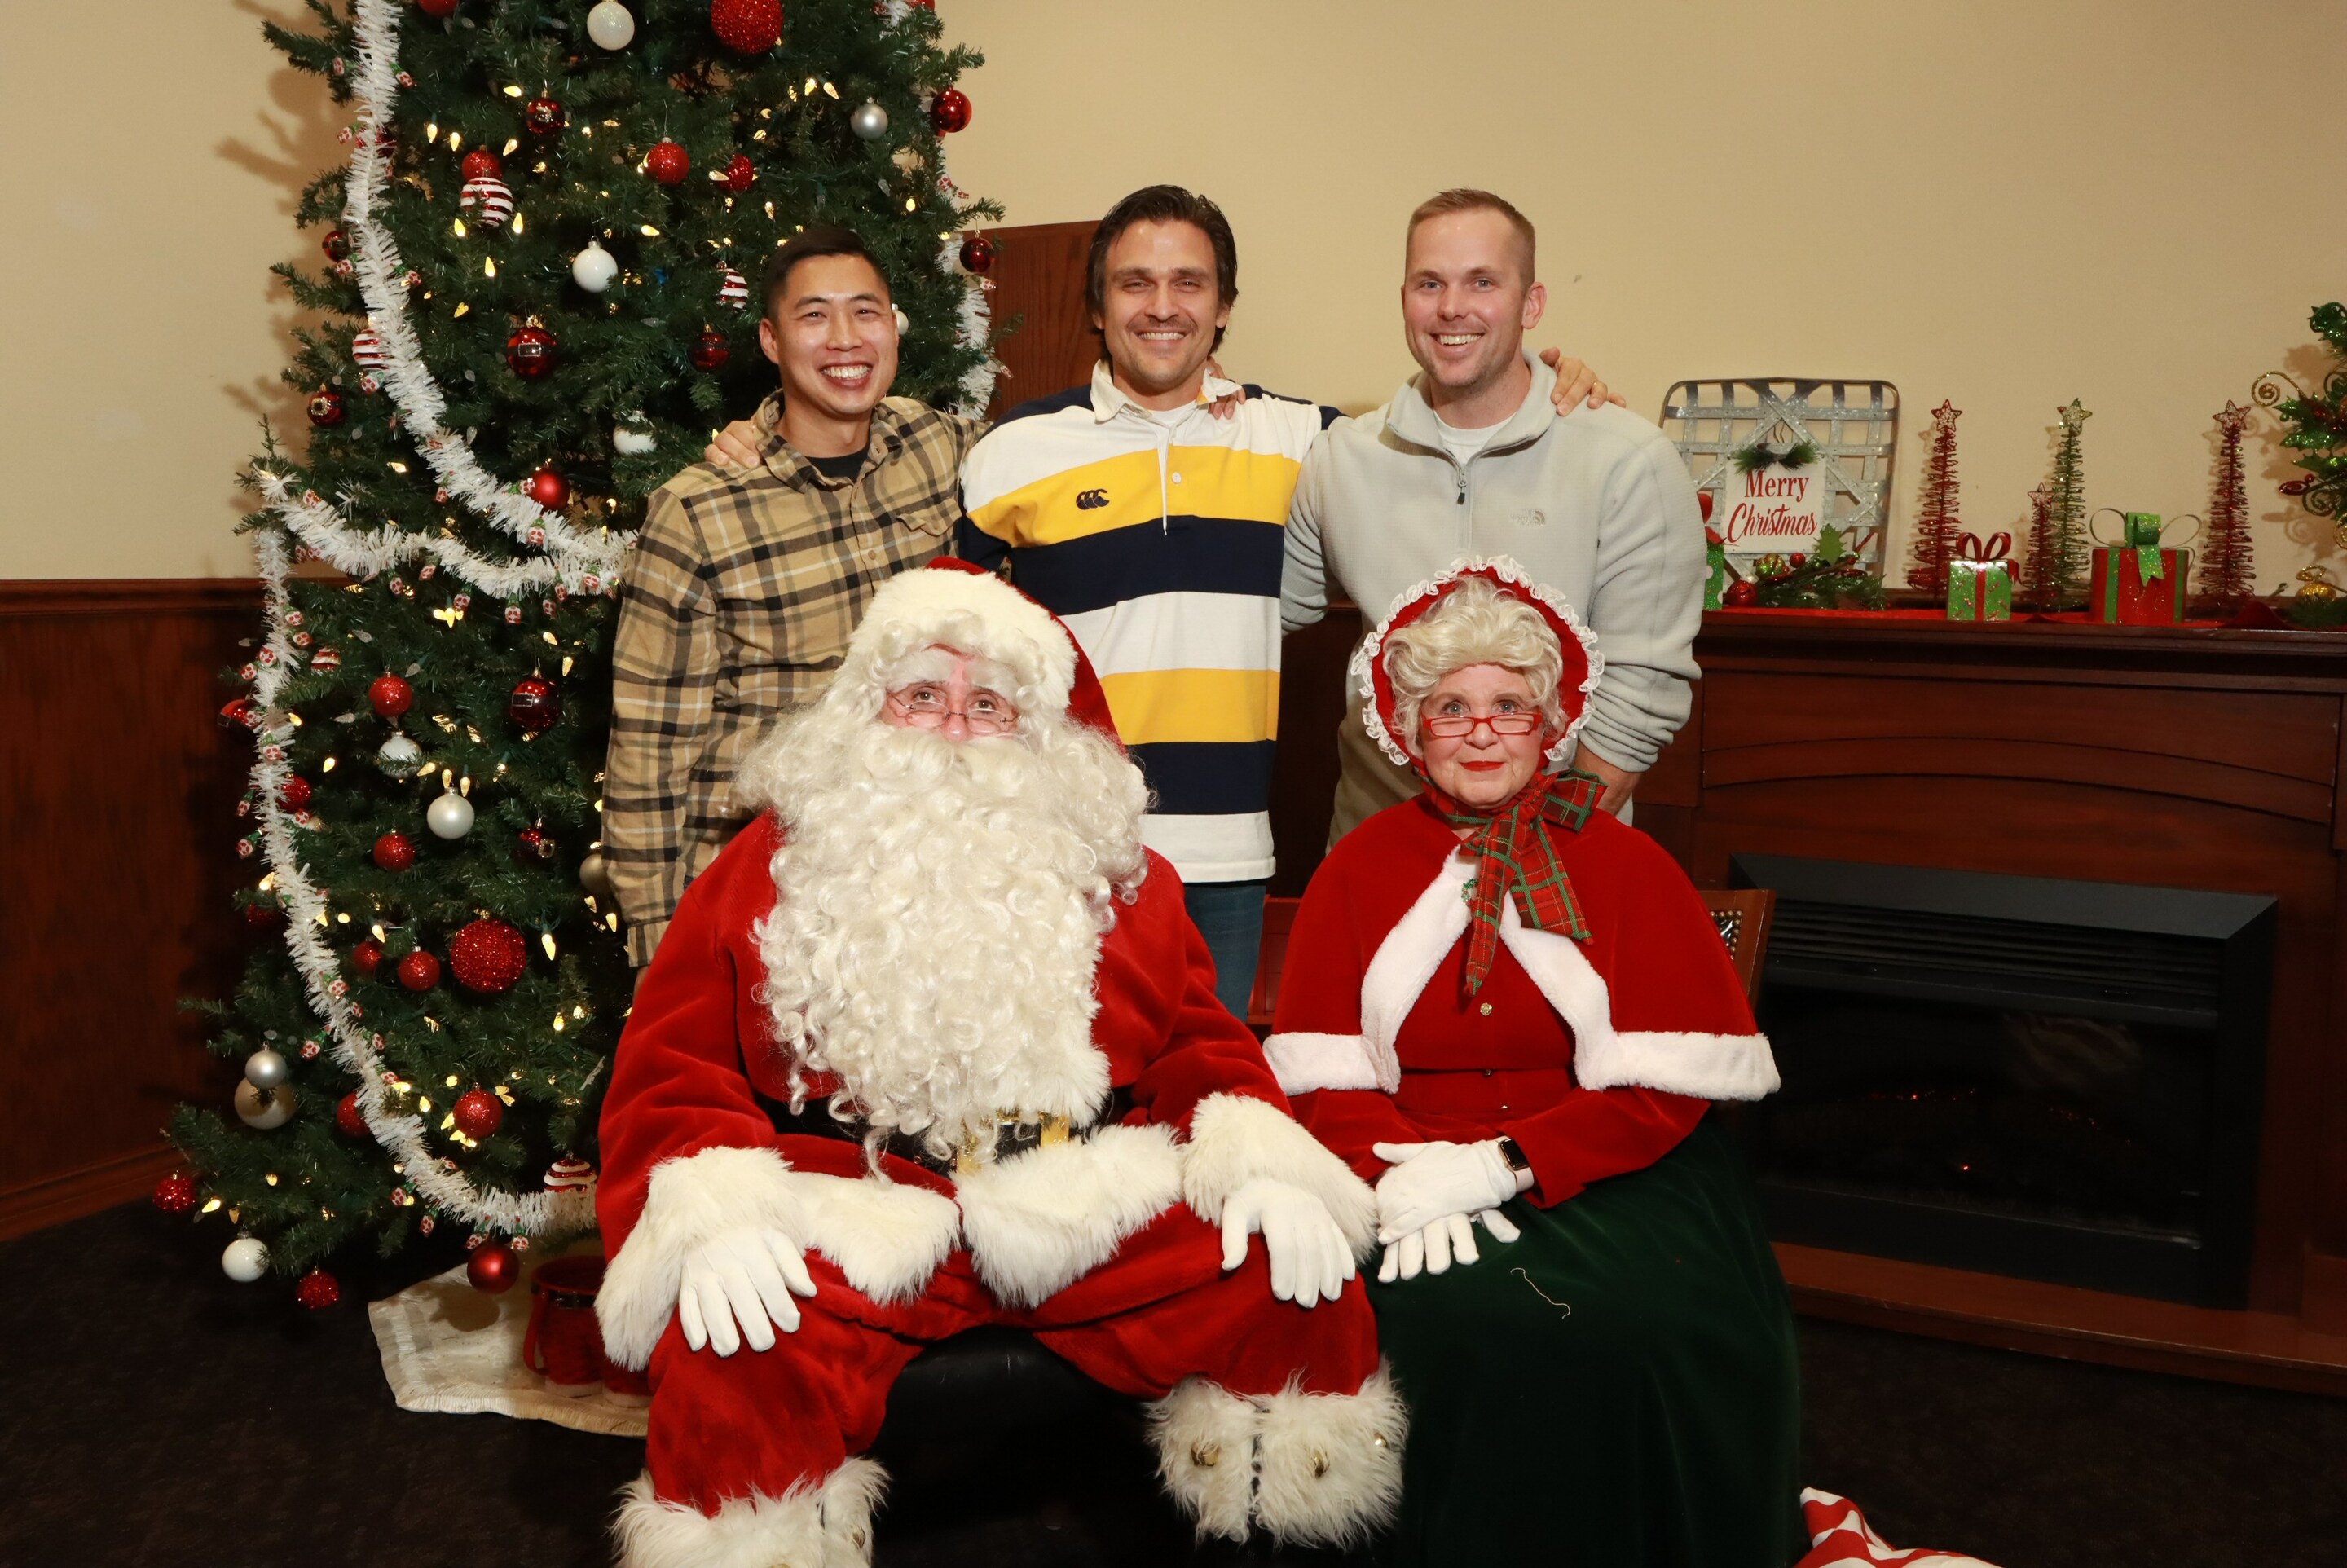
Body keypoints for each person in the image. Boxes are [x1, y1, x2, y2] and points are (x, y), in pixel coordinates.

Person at [594, 560, 1405, 1567]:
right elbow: (673, 1062)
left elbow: (1196, 1039)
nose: (951, 727)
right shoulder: (767, 863)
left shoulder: (1116, 873)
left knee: (1293, 1288)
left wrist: (1258, 1156)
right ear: (868, 708)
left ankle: (1274, 1539)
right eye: (921, 696)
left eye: (987, 705)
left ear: (1037, 730)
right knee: (738, 1348)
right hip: (857, 1202)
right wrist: (711, 1210)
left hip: (1077, 1197)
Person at [951, 184, 1614, 1016]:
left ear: (1224, 306)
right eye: (1134, 283)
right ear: (1097, 305)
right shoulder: (1011, 451)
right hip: (1058, 852)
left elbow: (1453, 423)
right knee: (1056, 1082)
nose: (1163, 307)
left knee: (1212, 1082)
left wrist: (1552, 377)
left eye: (1189, 283)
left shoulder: (1311, 442)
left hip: (1229, 857)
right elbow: (953, 654)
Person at [1265, 557, 1803, 1566]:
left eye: (1508, 706)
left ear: (1550, 724)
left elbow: (1663, 1090)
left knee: (1632, 1324)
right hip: (1402, 1162)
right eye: (1451, 707)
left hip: (1610, 1161)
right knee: (1397, 1311)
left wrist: (1501, 1165)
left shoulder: (1624, 860)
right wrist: (1400, 1175)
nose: (1481, 732)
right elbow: (1322, 1073)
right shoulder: (1357, 866)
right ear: (1409, 728)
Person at [604, 226, 980, 970]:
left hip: (921, 889)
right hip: (765, 905)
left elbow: (1074, 455)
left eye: (865, 311)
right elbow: (647, 755)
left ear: (894, 325)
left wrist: (1202, 393)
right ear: (771, 341)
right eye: (814, 315)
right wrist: (658, 954)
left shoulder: (942, 447)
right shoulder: (698, 510)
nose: (845, 338)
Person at [1283, 188, 1706, 839]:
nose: (1452, 307)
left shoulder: (1629, 461)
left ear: (1531, 303)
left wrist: (1539, 850)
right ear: (1404, 299)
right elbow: (1259, 611)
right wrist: (1199, 392)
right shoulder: (1342, 459)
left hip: (1556, 854)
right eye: (1430, 283)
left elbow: (1639, 696)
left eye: (1482, 281)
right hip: (1381, 848)